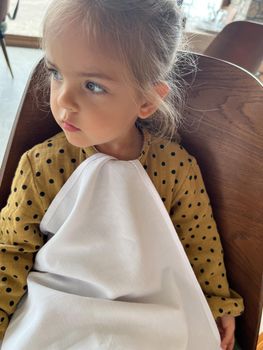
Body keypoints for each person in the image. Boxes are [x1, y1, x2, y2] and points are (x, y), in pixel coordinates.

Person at [0, 0, 243, 349]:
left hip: (152, 317)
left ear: (147, 100)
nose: (63, 100)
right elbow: (11, 252)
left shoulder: (176, 168)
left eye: (93, 86)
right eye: (56, 73)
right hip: (58, 316)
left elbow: (200, 244)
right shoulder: (43, 165)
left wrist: (219, 302)